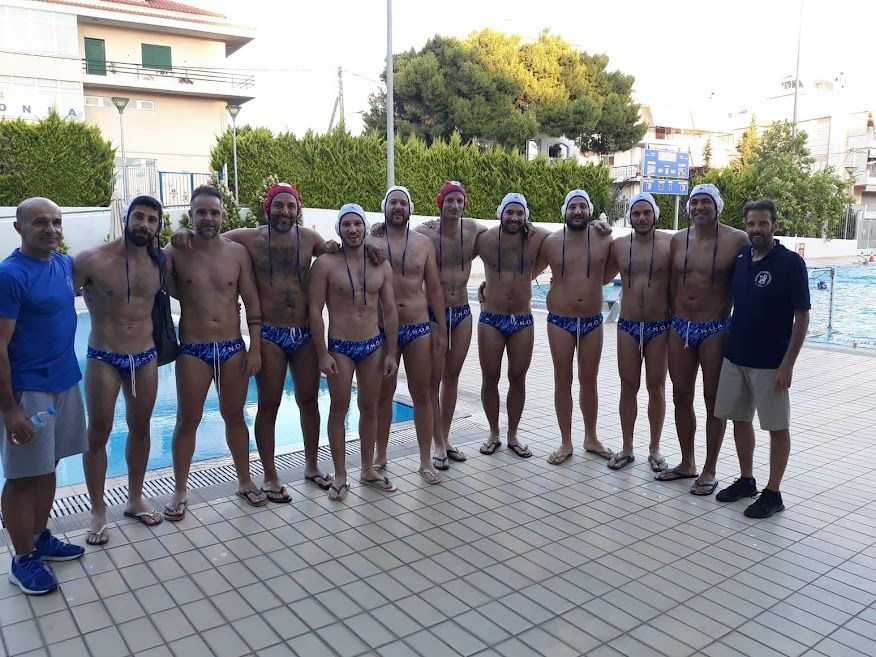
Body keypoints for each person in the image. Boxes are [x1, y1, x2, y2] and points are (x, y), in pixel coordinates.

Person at [170, 183, 380, 499]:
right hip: (270, 333)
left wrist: (373, 246)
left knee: (309, 402)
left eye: (290, 206)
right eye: (278, 205)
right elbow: (213, 239)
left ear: (298, 210)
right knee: (268, 405)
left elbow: (342, 249)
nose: (284, 211)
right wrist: (183, 234)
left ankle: (312, 466)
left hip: (304, 333)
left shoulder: (309, 239)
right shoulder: (248, 238)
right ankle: (269, 475)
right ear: (268, 208)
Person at [0, 197, 86, 595]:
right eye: (40, 222)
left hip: (64, 384)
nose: (50, 229)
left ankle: (40, 536)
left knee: (48, 463)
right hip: (29, 391)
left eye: (56, 221)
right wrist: (9, 409)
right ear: (19, 228)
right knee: (22, 476)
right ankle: (23, 558)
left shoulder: (63, 265)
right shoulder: (10, 275)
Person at [162, 185, 264, 520]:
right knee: (187, 420)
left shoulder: (237, 253)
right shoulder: (176, 251)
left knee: (235, 416)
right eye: (201, 212)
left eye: (214, 212)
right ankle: (180, 490)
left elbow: (252, 302)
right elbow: (161, 283)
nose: (208, 218)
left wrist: (255, 348)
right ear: (190, 215)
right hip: (193, 348)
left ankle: (245, 481)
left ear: (223, 216)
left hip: (232, 347)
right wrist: (175, 239)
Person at [77, 196, 165, 545]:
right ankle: (98, 511)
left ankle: (135, 498)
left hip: (145, 356)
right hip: (104, 356)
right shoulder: (92, 260)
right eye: (138, 217)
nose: (144, 224)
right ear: (127, 219)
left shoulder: (161, 261)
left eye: (152, 220)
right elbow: (53, 298)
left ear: (158, 226)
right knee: (98, 433)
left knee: (141, 429)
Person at [714, 200, 810, 518]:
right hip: (736, 355)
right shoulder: (742, 257)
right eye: (751, 224)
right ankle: (747, 480)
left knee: (776, 426)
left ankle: (773, 492)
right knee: (739, 419)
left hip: (771, 362)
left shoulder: (791, 263)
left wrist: (788, 364)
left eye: (763, 223)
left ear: (775, 225)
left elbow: (802, 317)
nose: (756, 229)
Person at [658, 184, 749, 494]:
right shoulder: (678, 239)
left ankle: (710, 468)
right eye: (694, 202)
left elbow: (749, 279)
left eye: (705, 202)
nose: (699, 207)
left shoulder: (737, 239)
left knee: (714, 402)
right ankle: (687, 462)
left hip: (715, 328)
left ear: (717, 206)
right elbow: (673, 283)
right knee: (680, 396)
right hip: (681, 327)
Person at [309, 204, 398, 501]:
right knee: (339, 407)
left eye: (357, 224)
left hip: (372, 345)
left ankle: (367, 468)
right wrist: (322, 353)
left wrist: (391, 353)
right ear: (339, 228)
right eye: (346, 224)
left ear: (365, 227)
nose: (352, 229)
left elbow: (390, 310)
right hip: (341, 346)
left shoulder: (380, 264)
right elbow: (314, 311)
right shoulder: (325, 264)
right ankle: (340, 474)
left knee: (369, 407)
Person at [373, 187, 447, 484]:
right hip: (382, 328)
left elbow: (435, 288)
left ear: (410, 209)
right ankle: (380, 453)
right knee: (383, 395)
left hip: (418, 326)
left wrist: (441, 329)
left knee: (422, 394)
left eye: (403, 203)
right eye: (393, 202)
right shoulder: (371, 240)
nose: (398, 207)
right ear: (385, 207)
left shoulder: (423, 243)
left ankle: (425, 459)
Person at [536, 190, 615, 465]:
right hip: (560, 319)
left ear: (590, 210)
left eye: (582, 206)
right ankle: (566, 441)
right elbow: (525, 272)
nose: (578, 211)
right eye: (572, 207)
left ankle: (591, 438)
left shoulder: (604, 239)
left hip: (592, 319)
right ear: (565, 211)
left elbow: (610, 274)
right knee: (563, 379)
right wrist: (489, 283)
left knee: (589, 379)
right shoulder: (551, 242)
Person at [414, 182, 486, 470]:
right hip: (434, 314)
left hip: (462, 311)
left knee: (452, 377)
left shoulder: (473, 229)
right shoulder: (424, 233)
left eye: (459, 201)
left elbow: (503, 237)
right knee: (434, 380)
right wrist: (379, 229)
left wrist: (527, 227)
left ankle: (444, 438)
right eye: (449, 201)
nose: (455, 206)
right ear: (439, 203)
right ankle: (437, 443)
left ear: (464, 204)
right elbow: (397, 235)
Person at [476, 193, 550, 457]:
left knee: (518, 378)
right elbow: (452, 238)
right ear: (500, 213)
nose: (515, 218)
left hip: (522, 319)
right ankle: (493, 432)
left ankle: (513, 434)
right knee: (490, 377)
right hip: (491, 319)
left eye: (520, 213)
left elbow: (561, 236)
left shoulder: (535, 238)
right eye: (510, 212)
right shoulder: (484, 239)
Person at [602, 193, 672, 471]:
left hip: (660, 325)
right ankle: (627, 447)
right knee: (628, 386)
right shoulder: (619, 245)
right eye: (636, 213)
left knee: (657, 387)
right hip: (628, 325)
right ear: (629, 217)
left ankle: (655, 449)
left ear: (655, 214)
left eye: (646, 213)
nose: (642, 218)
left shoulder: (671, 243)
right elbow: (599, 275)